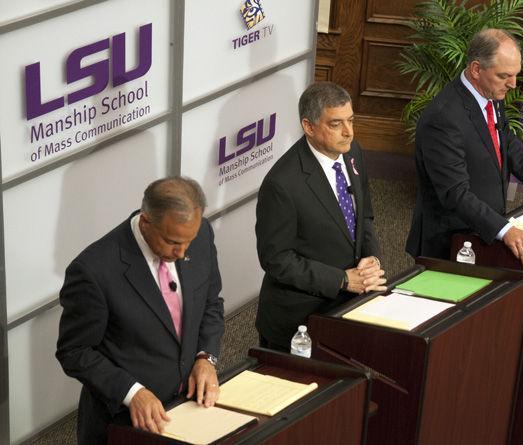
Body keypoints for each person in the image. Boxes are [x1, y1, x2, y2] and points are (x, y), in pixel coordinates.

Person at [56, 176, 224, 444]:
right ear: (146, 223)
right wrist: (131, 392)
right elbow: (75, 352)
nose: (182, 253)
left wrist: (206, 357)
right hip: (124, 422)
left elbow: (211, 303)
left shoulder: (200, 233)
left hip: (187, 407)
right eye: (172, 242)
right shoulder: (94, 270)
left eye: (188, 242)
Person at [405, 28, 523, 266]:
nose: (513, 84)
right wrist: (505, 230)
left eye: (515, 75)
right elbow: (455, 194)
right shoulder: (443, 118)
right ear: (476, 69)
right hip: (451, 243)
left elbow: (504, 141)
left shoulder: (491, 95)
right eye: (504, 76)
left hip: (483, 230)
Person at [255, 81, 387, 351]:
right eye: (336, 124)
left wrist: (371, 259)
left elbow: (365, 217)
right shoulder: (282, 184)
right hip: (301, 318)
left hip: (352, 304)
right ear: (309, 126)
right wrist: (342, 279)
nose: (348, 132)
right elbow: (276, 260)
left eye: (351, 120)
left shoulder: (353, 154)